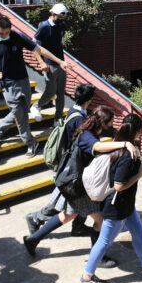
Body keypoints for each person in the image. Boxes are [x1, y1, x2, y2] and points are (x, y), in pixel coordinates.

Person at [22, 106, 139, 263]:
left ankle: (33, 239)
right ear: (103, 122)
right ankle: (98, 259)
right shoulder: (87, 136)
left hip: (75, 182)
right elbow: (98, 147)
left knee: (68, 215)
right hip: (77, 185)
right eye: (111, 122)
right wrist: (125, 144)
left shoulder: (91, 130)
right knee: (100, 220)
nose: (112, 125)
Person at [81, 114, 142, 283]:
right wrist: (139, 175)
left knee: (138, 232)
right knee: (104, 241)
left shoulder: (119, 145)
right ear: (138, 132)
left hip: (126, 205)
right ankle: (87, 276)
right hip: (117, 207)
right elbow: (119, 185)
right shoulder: (127, 155)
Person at [0, 16, 60, 156]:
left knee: (22, 110)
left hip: (23, 80)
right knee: (19, 113)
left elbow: (37, 48)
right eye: (2, 33)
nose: (5, 35)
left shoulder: (17, 36)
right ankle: (30, 142)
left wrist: (58, 61)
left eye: (7, 32)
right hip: (7, 83)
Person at [25, 84, 96, 236]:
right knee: (62, 201)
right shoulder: (78, 119)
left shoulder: (74, 111)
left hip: (73, 164)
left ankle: (78, 226)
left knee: (81, 198)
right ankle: (36, 218)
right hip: (73, 167)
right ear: (89, 100)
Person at [29, 3, 69, 125]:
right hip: (49, 64)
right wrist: (41, 62)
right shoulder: (44, 26)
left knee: (61, 93)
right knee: (51, 91)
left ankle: (58, 118)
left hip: (60, 64)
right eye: (60, 17)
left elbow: (59, 42)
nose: (62, 19)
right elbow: (34, 46)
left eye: (63, 17)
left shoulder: (61, 25)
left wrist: (62, 59)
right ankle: (36, 106)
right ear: (53, 14)